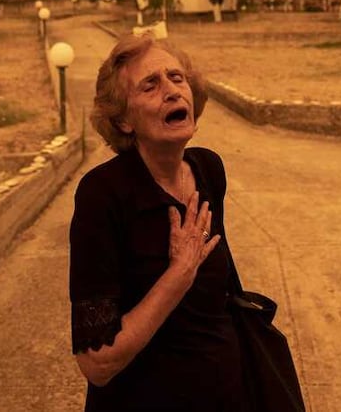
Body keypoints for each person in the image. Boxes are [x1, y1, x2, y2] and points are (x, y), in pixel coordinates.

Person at [69, 33, 246, 411]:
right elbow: (97, 362)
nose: (172, 91)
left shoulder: (208, 169)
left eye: (177, 78)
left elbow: (217, 302)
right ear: (123, 119)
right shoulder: (102, 195)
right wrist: (178, 275)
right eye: (150, 85)